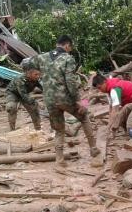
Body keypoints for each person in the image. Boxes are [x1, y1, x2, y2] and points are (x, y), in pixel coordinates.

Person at [26, 35, 100, 167]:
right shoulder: (68, 58)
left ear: (56, 44)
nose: (70, 50)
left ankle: (59, 159)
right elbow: (70, 81)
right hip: (65, 98)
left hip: (49, 99)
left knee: (59, 130)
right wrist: (78, 100)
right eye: (70, 48)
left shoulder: (42, 57)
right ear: (67, 46)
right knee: (84, 116)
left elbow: (25, 64)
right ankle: (94, 150)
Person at [5, 61, 43, 131]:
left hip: (24, 93)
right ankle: (12, 129)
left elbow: (44, 88)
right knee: (11, 107)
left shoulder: (37, 79)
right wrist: (37, 102)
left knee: (34, 108)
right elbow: (24, 96)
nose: (38, 76)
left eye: (39, 74)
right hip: (13, 93)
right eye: (36, 74)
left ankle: (38, 129)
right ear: (29, 74)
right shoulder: (20, 79)